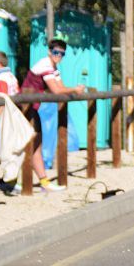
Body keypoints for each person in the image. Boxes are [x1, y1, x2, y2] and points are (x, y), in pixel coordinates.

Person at [19, 39, 85, 192]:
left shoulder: (53, 66)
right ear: (49, 52)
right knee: (28, 144)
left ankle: (43, 181)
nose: (58, 56)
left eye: (62, 54)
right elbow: (56, 90)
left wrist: (73, 90)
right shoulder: (45, 65)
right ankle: (18, 181)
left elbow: (60, 87)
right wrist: (75, 89)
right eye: (56, 52)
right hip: (26, 107)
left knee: (36, 144)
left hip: (31, 107)